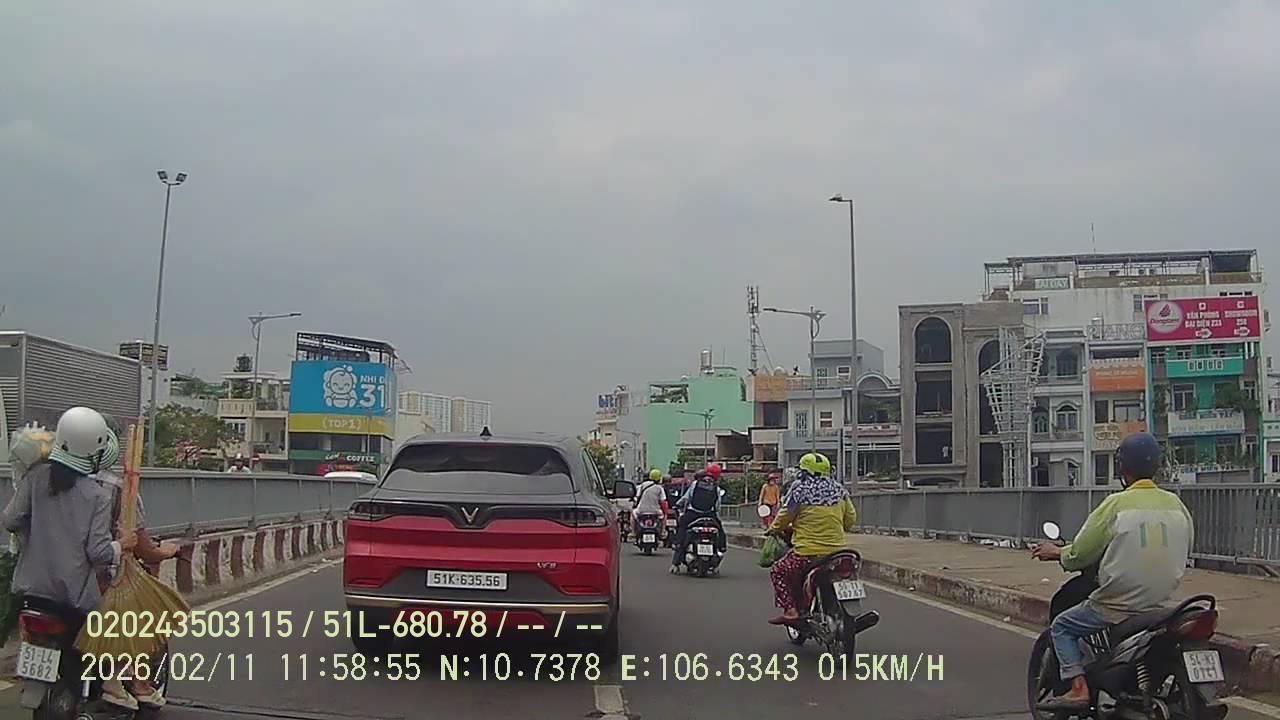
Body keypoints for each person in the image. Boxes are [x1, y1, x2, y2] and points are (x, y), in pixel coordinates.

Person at [1032, 432, 1193, 711]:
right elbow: (1187, 544)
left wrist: (1059, 552)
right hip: (1162, 603)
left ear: (1122, 467)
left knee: (1062, 627)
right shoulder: (1176, 505)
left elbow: (1081, 553)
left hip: (1118, 604)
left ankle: (1078, 689)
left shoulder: (1115, 505)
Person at [1, 407, 135, 643]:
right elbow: (99, 553)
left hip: (30, 591)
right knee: (92, 659)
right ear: (95, 452)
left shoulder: (35, 476)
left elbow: (10, 520)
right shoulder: (97, 496)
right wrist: (122, 544)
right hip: (72, 599)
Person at [91, 429, 181, 709]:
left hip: (54, 576)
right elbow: (143, 547)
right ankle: (136, 683)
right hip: (104, 574)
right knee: (144, 615)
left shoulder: (51, 481)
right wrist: (165, 551)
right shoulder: (119, 488)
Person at [765, 452, 856, 625]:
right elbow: (850, 520)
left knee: (778, 570)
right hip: (838, 552)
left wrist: (773, 529)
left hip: (808, 554)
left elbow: (784, 516)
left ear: (804, 471)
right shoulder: (839, 490)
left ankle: (791, 611)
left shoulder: (799, 490)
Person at [669, 463, 725, 573]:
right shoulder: (717, 488)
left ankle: (676, 564)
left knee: (682, 531)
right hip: (709, 515)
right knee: (720, 530)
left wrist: (678, 505)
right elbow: (717, 505)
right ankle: (721, 549)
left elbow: (687, 498)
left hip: (693, 514)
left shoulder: (695, 484)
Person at [633, 469, 669, 536]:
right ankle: (662, 531)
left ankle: (633, 532)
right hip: (655, 511)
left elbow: (637, 497)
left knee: (633, 513)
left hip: (641, 510)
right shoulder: (660, 488)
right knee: (664, 516)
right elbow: (663, 501)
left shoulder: (642, 485)